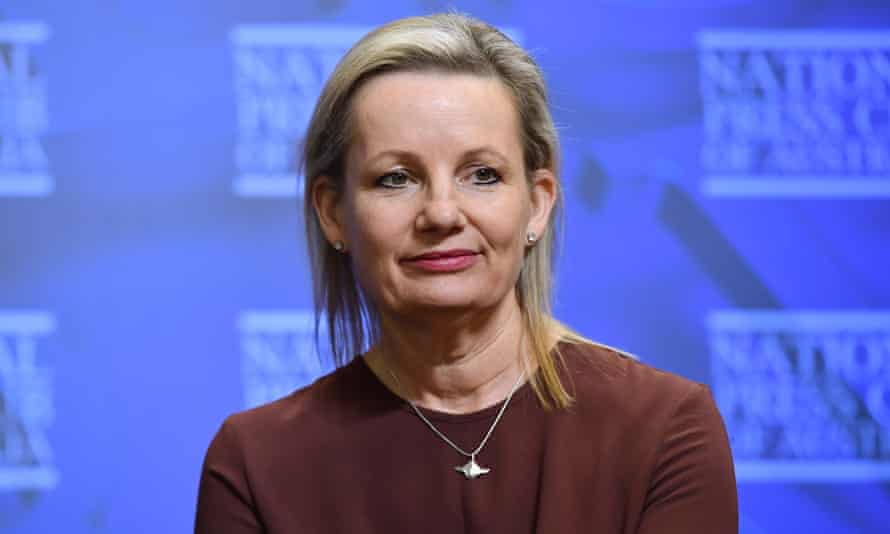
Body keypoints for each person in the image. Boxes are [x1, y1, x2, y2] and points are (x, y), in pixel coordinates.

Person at [195, 13, 738, 534]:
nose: (442, 213)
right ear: (333, 212)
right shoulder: (255, 463)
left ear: (538, 203)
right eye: (396, 178)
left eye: (482, 174)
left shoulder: (666, 430)